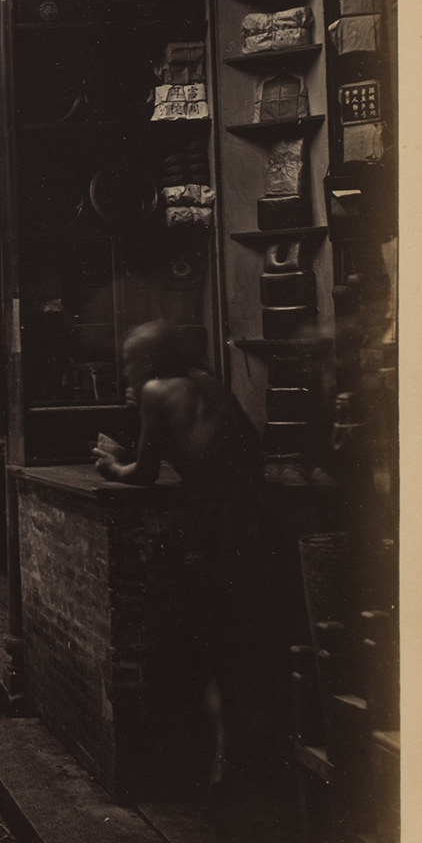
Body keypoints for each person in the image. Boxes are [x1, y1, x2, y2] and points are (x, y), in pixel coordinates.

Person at [92, 320, 263, 795]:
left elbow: (143, 474)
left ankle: (216, 765)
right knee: (239, 640)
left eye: (129, 362)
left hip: (213, 525)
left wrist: (110, 464)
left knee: (206, 640)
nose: (125, 371)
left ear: (146, 363)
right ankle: (235, 760)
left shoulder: (154, 390)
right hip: (252, 518)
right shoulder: (209, 384)